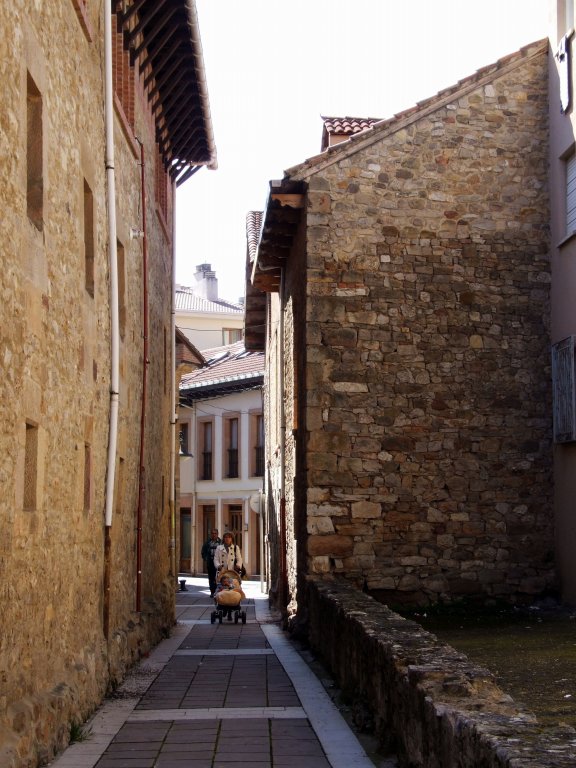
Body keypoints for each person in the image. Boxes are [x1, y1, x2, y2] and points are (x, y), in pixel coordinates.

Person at [201, 528, 221, 596]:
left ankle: (219, 590)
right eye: (212, 533)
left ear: (217, 534)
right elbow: (203, 551)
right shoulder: (207, 543)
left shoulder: (220, 542)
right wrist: (206, 558)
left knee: (219, 577)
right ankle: (212, 591)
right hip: (210, 562)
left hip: (219, 563)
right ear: (211, 534)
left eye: (215, 533)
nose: (214, 535)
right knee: (211, 577)